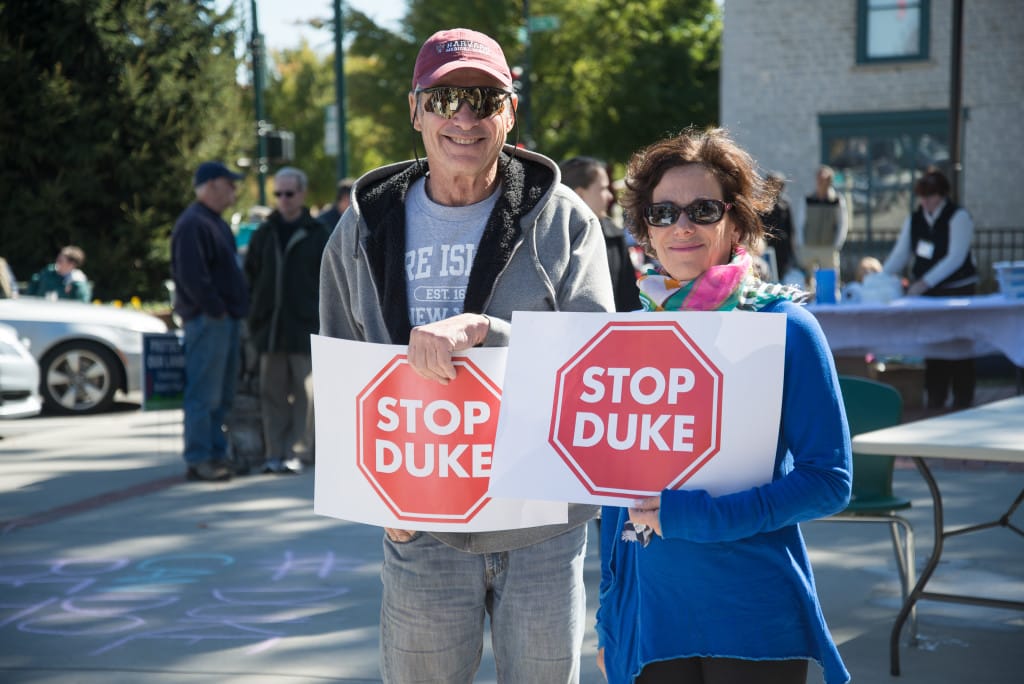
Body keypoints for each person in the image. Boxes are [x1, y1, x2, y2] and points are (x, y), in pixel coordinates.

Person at [318, 27, 614, 684]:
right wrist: (375, 504)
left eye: (484, 98)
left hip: (539, 526)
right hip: (421, 526)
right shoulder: (364, 225)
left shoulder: (562, 220)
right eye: (445, 99)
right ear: (415, 109)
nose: (465, 117)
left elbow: (594, 361)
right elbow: (341, 363)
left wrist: (489, 332)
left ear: (511, 110)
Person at [596, 127, 852, 684]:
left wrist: (695, 518)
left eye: (702, 209)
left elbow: (829, 480)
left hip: (752, 614)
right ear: (645, 229)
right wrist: (610, 616)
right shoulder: (629, 335)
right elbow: (618, 496)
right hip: (651, 621)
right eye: (663, 213)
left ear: (735, 222)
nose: (681, 226)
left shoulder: (786, 328)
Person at [244, 167, 329, 474]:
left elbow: (329, 281)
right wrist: (255, 319)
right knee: (271, 393)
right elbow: (251, 277)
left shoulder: (318, 233)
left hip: (305, 327)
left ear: (302, 194)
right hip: (270, 328)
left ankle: (299, 452)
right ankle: (274, 452)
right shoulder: (264, 233)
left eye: (289, 193)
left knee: (307, 395)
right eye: (278, 194)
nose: (283, 199)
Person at [170, 161, 250, 482]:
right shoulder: (194, 224)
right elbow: (192, 277)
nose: (234, 190)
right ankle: (200, 457)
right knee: (205, 393)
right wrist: (216, 309)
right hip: (208, 320)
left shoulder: (210, 221)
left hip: (221, 319)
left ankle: (217, 455)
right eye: (229, 183)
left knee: (222, 393)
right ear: (213, 185)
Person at [882, 168, 978, 410]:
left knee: (959, 344)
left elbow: (956, 257)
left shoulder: (958, 217)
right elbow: (901, 254)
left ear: (942, 195)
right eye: (923, 196)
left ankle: (963, 398)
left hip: (958, 291)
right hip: (929, 296)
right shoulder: (915, 219)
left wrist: (924, 283)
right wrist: (878, 278)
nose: (926, 202)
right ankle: (936, 397)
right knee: (935, 345)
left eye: (931, 196)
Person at [561, 156, 639, 311]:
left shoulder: (615, 236)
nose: (610, 196)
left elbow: (629, 300)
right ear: (580, 194)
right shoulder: (545, 238)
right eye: (603, 189)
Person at [795, 165, 848, 275]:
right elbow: (800, 222)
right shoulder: (808, 199)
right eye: (819, 179)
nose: (821, 182)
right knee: (807, 280)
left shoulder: (837, 201)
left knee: (829, 279)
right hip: (809, 246)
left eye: (825, 180)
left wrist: (837, 244)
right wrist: (801, 244)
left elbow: (842, 223)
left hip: (828, 247)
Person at [761, 171, 797, 283]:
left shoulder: (785, 204)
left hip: (781, 245)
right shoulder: (761, 203)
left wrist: (792, 250)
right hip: (765, 243)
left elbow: (790, 228)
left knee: (780, 274)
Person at [25, 245, 92, 302]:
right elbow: (33, 288)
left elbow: (83, 301)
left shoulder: (78, 281)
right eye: (57, 259)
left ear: (71, 264)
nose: (57, 263)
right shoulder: (48, 272)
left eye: (60, 261)